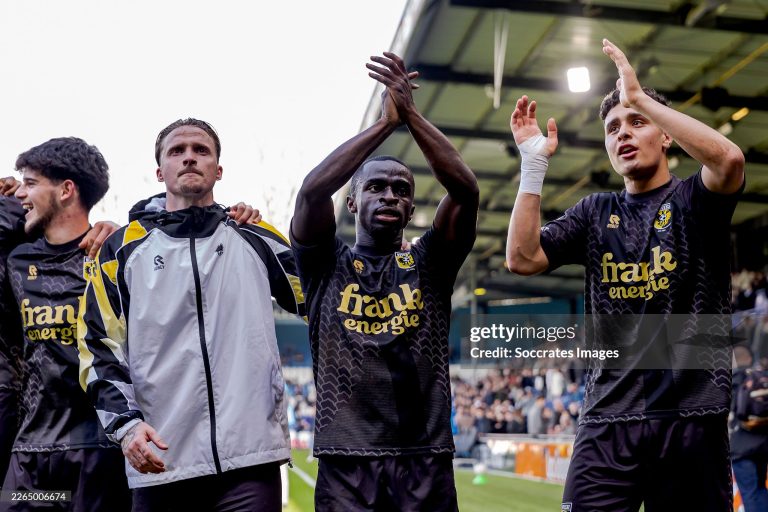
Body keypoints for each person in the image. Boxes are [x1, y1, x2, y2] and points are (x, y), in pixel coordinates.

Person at [506, 39, 744, 511]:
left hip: (690, 417)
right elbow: (523, 258)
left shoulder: (695, 202)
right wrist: (533, 167)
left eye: (638, 122)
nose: (624, 134)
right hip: (607, 419)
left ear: (667, 136)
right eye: (613, 127)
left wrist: (639, 98)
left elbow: (729, 160)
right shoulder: (595, 212)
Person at [78, 118, 304, 511]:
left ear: (218, 170)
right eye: (176, 151)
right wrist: (126, 428)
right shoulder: (120, 250)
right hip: (161, 462)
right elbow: (98, 345)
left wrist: (378, 254)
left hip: (251, 461)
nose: (189, 158)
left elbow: (322, 297)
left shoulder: (254, 235)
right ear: (159, 171)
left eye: (201, 151)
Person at [290, 51, 479, 511]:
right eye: (376, 187)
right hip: (346, 459)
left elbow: (466, 190)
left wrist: (410, 115)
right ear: (351, 204)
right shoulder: (324, 263)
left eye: (401, 189)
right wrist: (382, 126)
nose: (390, 194)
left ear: (412, 210)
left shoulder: (431, 265)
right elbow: (312, 191)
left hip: (425, 458)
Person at [0, 139, 130, 511]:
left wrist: (118, 232)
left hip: (97, 452)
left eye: (31, 183)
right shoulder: (15, 259)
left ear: (66, 190)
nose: (21, 192)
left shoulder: (114, 257)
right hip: (29, 454)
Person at [731, 345, 768, 511]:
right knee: (761, 489)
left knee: (749, 494)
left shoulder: (733, 380)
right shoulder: (761, 377)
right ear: (749, 358)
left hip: (740, 447)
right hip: (762, 444)